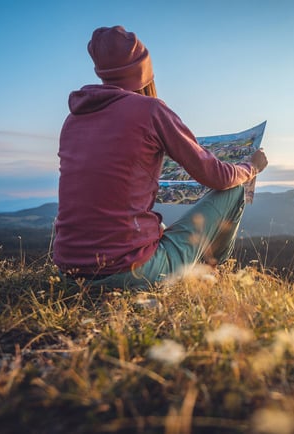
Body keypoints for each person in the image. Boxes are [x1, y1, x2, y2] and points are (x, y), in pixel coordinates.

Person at [53, 25, 268, 287]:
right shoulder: (150, 111)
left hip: (69, 274)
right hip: (128, 273)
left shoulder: (73, 120)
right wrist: (251, 167)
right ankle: (211, 273)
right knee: (234, 190)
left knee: (161, 228)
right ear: (144, 73)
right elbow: (218, 177)